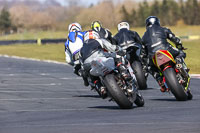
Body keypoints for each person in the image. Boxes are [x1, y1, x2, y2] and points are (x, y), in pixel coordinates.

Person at [79, 30, 131, 97]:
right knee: (116, 56)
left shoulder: (81, 49)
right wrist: (121, 50)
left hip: (87, 64)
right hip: (99, 56)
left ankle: (100, 87)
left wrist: (86, 76)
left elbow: (82, 65)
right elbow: (112, 48)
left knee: (91, 75)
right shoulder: (99, 40)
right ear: (96, 35)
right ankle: (123, 72)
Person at [142, 16, 186, 92]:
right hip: (166, 49)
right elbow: (176, 40)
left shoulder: (143, 37)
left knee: (150, 67)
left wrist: (146, 63)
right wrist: (180, 46)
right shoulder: (163, 29)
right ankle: (179, 62)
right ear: (157, 22)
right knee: (181, 53)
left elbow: (143, 53)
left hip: (153, 55)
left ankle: (160, 80)